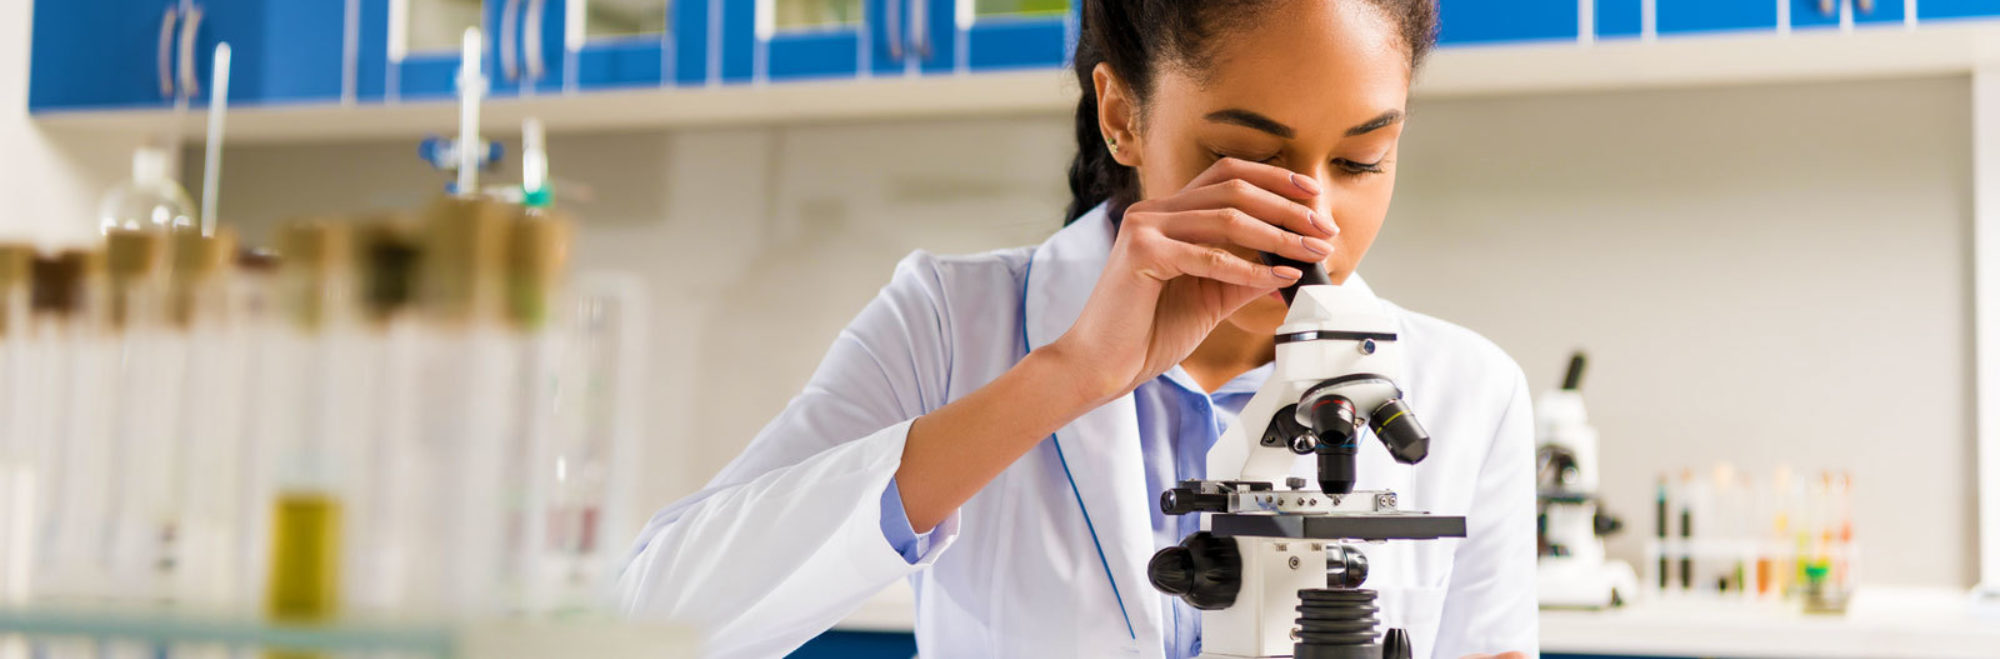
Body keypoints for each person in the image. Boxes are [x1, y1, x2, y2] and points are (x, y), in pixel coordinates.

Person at [616, 0, 1536, 657]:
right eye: (1247, 158)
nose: (1312, 218)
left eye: (1360, 159)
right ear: (1122, 114)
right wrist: (1065, 375)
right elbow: (654, 623)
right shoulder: (947, 324)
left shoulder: (1468, 393)